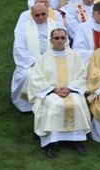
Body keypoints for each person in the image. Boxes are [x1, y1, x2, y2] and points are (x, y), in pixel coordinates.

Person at [28, 28, 90, 159]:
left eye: (63, 38)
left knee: (77, 103)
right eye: (56, 38)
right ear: (51, 41)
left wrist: (70, 88)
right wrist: (53, 89)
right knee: (54, 105)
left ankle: (76, 140)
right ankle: (52, 142)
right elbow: (36, 79)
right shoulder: (43, 59)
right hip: (51, 92)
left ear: (67, 39)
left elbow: (82, 76)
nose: (60, 40)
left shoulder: (76, 56)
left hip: (72, 91)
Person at [12, 2, 59, 113]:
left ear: (48, 13)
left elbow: (63, 44)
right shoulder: (24, 28)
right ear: (32, 15)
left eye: (43, 14)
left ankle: (50, 102)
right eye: (37, 15)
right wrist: (35, 62)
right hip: (31, 62)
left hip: (51, 60)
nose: (41, 17)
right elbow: (19, 48)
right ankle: (26, 105)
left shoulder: (56, 26)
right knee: (25, 75)